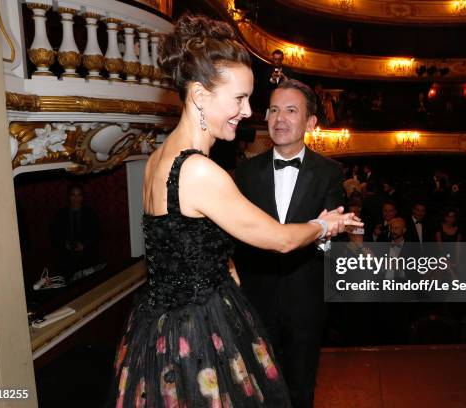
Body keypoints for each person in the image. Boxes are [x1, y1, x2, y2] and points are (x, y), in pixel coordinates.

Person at [107, 14, 361, 408]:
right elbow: (278, 240)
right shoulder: (199, 170)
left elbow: (182, 243)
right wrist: (323, 225)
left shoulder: (158, 159)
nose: (247, 112)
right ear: (200, 95)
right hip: (197, 335)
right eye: (239, 98)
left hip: (158, 324)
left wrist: (224, 265)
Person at [234, 79, 347, 408]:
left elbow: (332, 238)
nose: (279, 118)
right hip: (254, 301)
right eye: (273, 110)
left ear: (311, 122)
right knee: (255, 390)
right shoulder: (244, 172)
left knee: (300, 390)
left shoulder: (330, 172)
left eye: (291, 110)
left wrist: (327, 234)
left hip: (306, 302)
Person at [51, 184, 100, 281]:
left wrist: (84, 244)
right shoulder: (60, 214)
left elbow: (97, 233)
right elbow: (54, 235)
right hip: (66, 256)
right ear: (69, 197)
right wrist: (65, 244)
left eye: (79, 195)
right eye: (73, 195)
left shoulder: (90, 213)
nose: (76, 198)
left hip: (87, 255)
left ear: (83, 197)